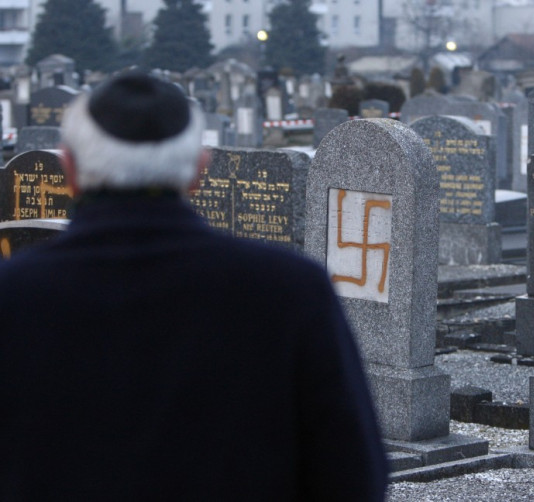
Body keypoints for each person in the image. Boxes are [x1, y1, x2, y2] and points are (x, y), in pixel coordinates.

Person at [0, 72, 388, 500]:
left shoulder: (15, 295)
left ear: (69, 170)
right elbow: (353, 476)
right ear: (199, 171)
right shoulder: (289, 291)